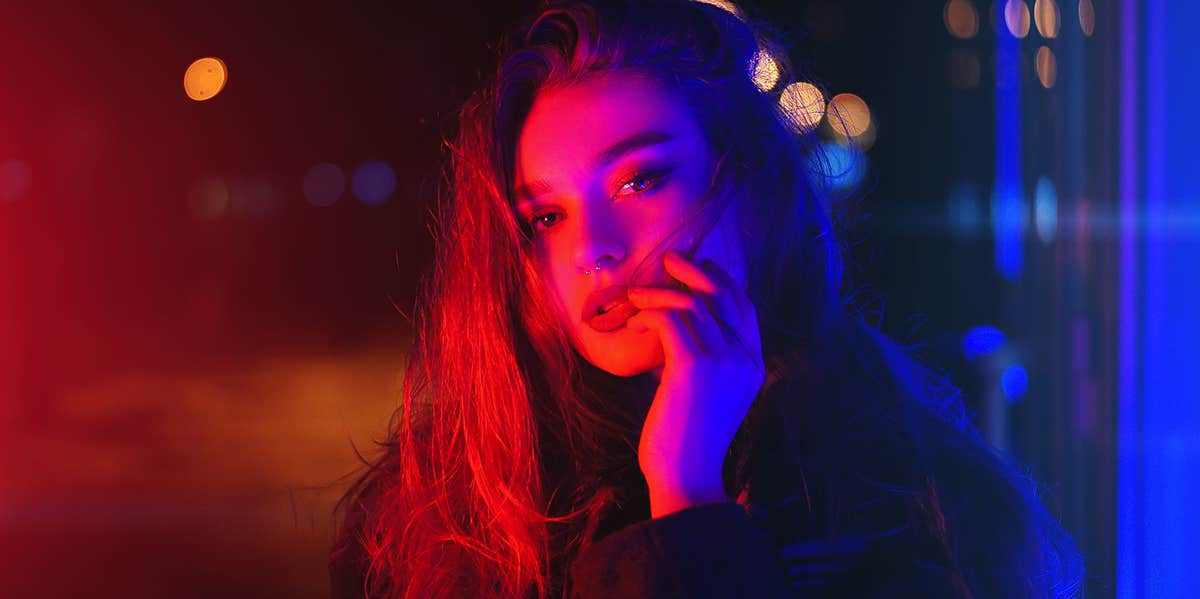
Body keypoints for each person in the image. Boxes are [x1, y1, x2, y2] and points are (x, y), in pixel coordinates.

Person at [328, 0, 1085, 597]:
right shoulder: (439, 514)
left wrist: (686, 491)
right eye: (546, 216)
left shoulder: (918, 497)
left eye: (640, 180)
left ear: (748, 188)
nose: (594, 248)